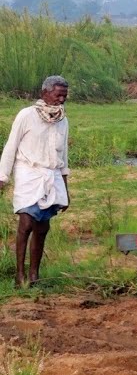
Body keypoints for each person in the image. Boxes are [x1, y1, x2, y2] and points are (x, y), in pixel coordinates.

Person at [0, 75, 72, 288]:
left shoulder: (62, 119)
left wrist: (66, 191)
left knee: (42, 227)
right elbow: (10, 147)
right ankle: (19, 275)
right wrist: (2, 177)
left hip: (52, 176)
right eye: (58, 94)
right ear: (45, 92)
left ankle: (34, 275)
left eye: (64, 96)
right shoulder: (27, 115)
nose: (61, 100)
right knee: (26, 223)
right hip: (28, 173)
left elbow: (63, 156)